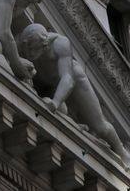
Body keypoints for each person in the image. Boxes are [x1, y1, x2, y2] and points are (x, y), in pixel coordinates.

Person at [17, 24, 130, 168]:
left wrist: (55, 103)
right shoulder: (25, 43)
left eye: (33, 50)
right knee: (62, 113)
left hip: (73, 81)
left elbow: (68, 79)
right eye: (28, 50)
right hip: (48, 84)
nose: (30, 54)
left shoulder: (60, 43)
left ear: (44, 45)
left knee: (100, 126)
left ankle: (122, 152)